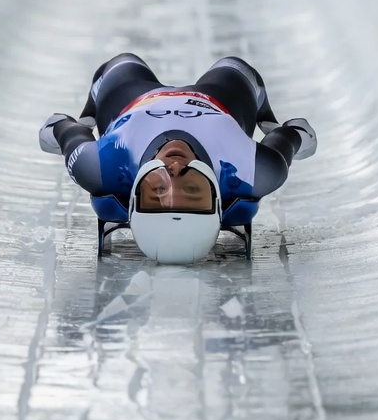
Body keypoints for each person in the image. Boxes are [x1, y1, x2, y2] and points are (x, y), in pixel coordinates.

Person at [39, 53, 317, 263]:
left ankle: (94, 103)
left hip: (128, 95)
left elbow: (64, 128)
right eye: (192, 189)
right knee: (235, 67)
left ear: (133, 196)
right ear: (217, 196)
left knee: (122, 63)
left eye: (159, 190)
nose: (174, 169)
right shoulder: (257, 170)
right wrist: (290, 130)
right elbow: (291, 134)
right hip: (222, 96)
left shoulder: (100, 167)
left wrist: (68, 125)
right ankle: (261, 107)